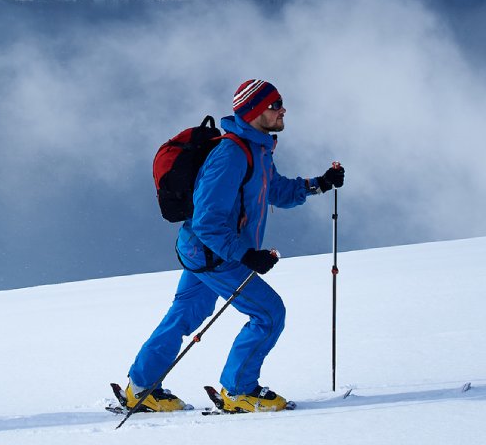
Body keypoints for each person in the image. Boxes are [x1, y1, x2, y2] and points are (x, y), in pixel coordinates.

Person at [124, 80, 343, 413]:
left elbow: (277, 190)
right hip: (213, 252)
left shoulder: (256, 150)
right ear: (256, 111)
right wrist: (245, 255)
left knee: (185, 314)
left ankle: (140, 387)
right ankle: (240, 391)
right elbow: (207, 222)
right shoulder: (230, 155)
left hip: (203, 250)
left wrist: (320, 184)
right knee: (269, 313)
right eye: (276, 104)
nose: (283, 109)